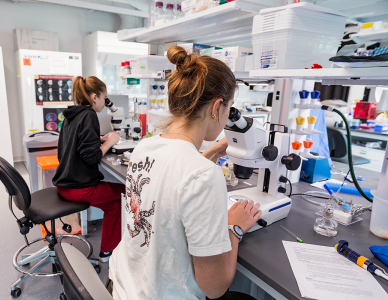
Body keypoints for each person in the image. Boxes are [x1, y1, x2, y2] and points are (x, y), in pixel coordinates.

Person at [108, 46, 262, 299]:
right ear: (216, 107)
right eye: (229, 109)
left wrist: (211, 152)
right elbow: (214, 288)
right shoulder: (204, 175)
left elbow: (172, 176)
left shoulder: (144, 146)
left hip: (123, 284)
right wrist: (234, 229)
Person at [52, 76, 123, 262]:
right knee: (129, 190)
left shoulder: (71, 115)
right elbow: (91, 157)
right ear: (94, 97)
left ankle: (107, 252)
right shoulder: (89, 115)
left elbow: (69, 146)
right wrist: (111, 141)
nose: (104, 102)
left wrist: (98, 139)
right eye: (104, 97)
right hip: (80, 189)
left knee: (114, 206)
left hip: (65, 184)